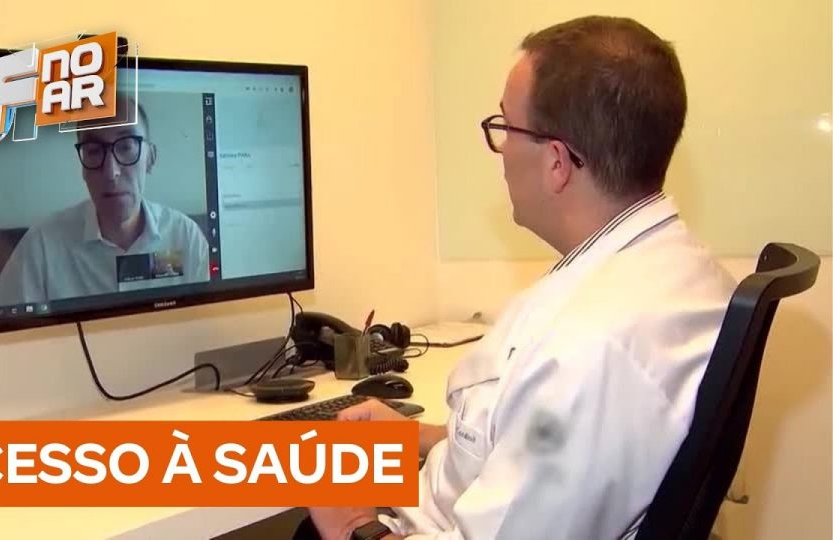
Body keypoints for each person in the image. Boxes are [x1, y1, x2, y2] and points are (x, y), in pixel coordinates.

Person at [306, 16, 737, 540]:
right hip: (438, 488)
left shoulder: (586, 349)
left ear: (556, 162)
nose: (502, 151)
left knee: (233, 477)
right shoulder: (677, 269)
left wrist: (349, 521)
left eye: (506, 127)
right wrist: (421, 437)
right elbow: (541, 450)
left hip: (406, 525)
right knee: (223, 464)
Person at [0, 97, 211, 308]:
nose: (111, 172)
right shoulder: (42, 245)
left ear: (150, 158)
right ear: (83, 167)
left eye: (126, 146)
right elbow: (2, 324)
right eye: (93, 151)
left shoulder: (186, 237)